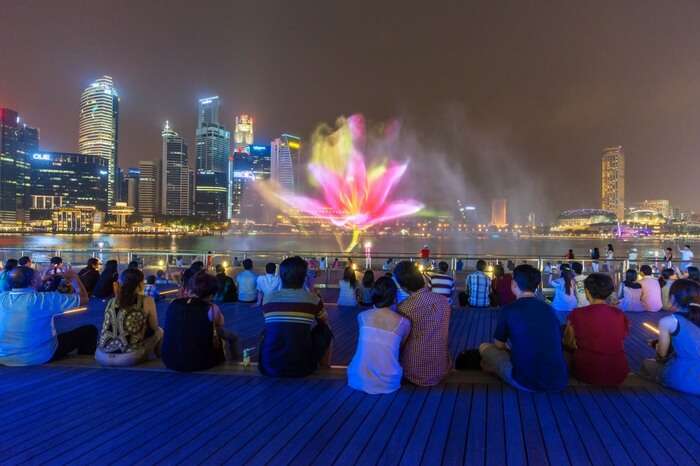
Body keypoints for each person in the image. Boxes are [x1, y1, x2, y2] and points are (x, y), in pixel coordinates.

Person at [479, 264, 568, 391]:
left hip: (526, 381)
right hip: (558, 380)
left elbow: (499, 345)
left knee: (484, 347)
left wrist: (508, 348)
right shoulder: (550, 309)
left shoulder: (509, 310)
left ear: (514, 285)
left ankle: (492, 368)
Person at [0, 266, 96, 366]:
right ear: (33, 282)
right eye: (38, 277)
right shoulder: (45, 299)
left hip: (3, 356)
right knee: (89, 330)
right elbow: (84, 299)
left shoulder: (2, 297)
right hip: (37, 356)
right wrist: (74, 278)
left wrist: (38, 281)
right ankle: (87, 362)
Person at [259, 256, 333, 377]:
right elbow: (324, 321)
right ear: (304, 277)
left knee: (270, 329)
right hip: (303, 367)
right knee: (326, 329)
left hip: (269, 366)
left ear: (281, 276)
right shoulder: (313, 299)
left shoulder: (268, 298)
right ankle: (325, 366)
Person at [162, 271, 238, 372]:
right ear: (211, 294)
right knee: (228, 335)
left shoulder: (173, 303)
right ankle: (235, 361)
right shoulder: (211, 308)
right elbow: (220, 324)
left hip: (170, 361)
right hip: (201, 363)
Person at [563, 273, 629, 386]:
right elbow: (621, 337)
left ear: (587, 292)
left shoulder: (577, 314)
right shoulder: (619, 314)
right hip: (618, 372)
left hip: (587, 372)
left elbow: (568, 343)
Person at [347, 277, 410, 394]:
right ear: (394, 297)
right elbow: (400, 347)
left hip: (357, 377)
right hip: (389, 381)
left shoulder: (362, 316)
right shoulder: (403, 322)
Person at [394, 260, 451, 386]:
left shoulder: (404, 308)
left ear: (403, 287)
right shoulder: (443, 302)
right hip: (440, 369)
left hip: (413, 371)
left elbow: (399, 342)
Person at [639, 279, 700, 395]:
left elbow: (662, 354)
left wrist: (655, 345)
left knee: (647, 364)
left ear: (672, 298)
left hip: (685, 378)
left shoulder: (669, 321)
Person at [95, 268, 163, 367]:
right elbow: (154, 327)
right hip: (128, 357)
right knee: (160, 332)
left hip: (101, 356)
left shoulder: (112, 301)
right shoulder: (146, 300)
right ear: (140, 284)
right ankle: (160, 361)